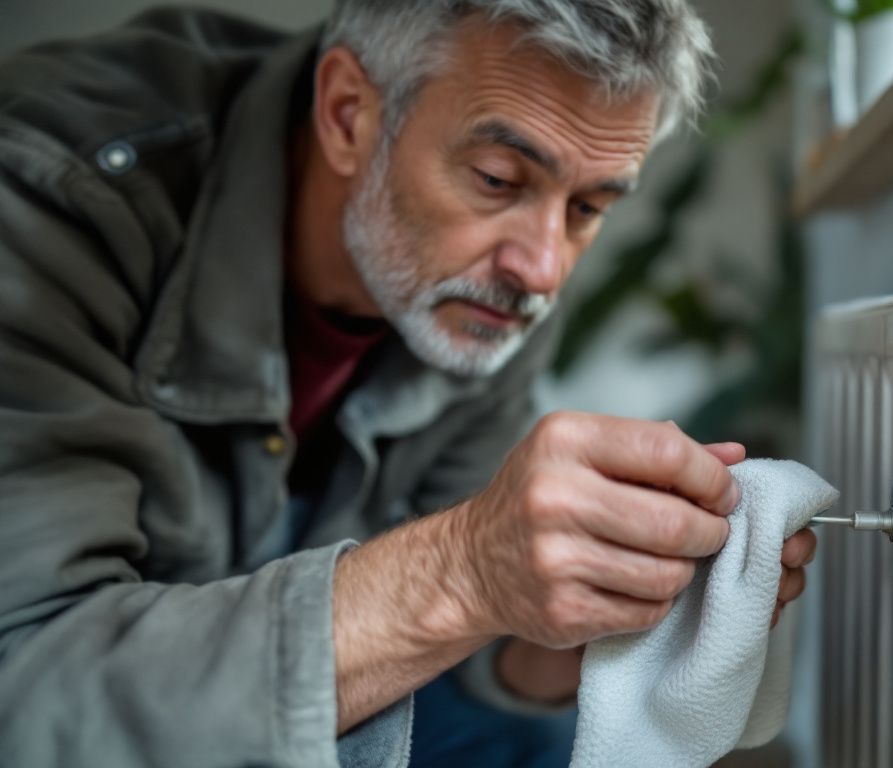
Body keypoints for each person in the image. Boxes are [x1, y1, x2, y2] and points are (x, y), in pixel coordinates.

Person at [0, 1, 818, 766]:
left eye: (589, 208)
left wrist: (601, 616)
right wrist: (465, 569)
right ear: (350, 114)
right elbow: (28, 682)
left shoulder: (491, 279)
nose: (542, 268)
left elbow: (474, 660)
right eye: (498, 179)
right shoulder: (49, 203)